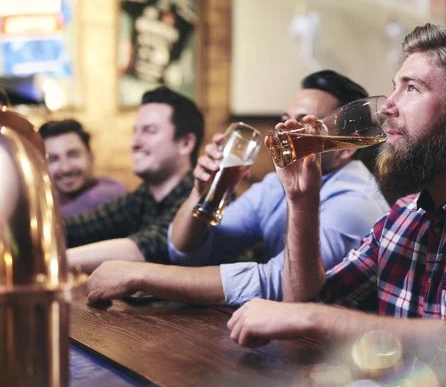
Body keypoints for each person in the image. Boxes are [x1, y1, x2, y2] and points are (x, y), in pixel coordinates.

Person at [225, 24, 446, 350]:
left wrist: (312, 318)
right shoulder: (403, 216)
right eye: (394, 86)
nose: (387, 107)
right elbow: (305, 303)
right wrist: (301, 200)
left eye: (411, 88)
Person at [83, 70, 390, 306]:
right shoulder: (274, 186)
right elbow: (189, 250)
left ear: (346, 148)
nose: (285, 132)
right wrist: (200, 192)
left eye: (306, 124)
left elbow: (279, 285)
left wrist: (142, 274)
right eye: (285, 120)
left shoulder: (355, 201)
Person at [66, 86, 204, 274]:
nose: (135, 143)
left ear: (186, 143)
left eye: (149, 131)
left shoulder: (205, 193)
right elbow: (76, 229)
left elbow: (151, 247)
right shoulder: (142, 197)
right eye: (135, 132)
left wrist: (51, 261)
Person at [39, 119, 128, 217]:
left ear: (90, 157)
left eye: (73, 155)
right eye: (53, 159)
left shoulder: (111, 196)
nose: (66, 168)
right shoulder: (49, 202)